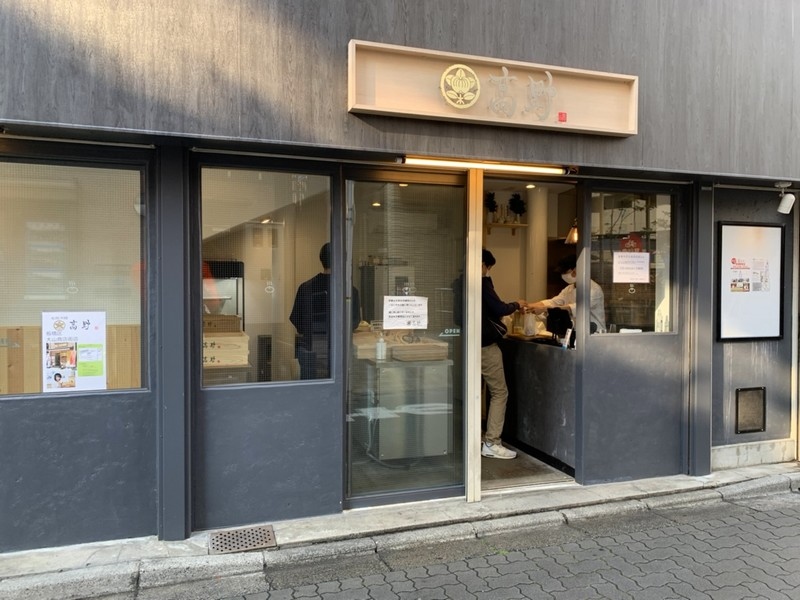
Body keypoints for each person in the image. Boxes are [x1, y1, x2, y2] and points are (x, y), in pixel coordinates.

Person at [290, 243, 361, 379]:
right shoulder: (350, 291)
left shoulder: (306, 288)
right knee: (340, 388)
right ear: (341, 261)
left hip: (310, 348)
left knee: (311, 388)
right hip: (340, 350)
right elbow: (354, 321)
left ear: (321, 259)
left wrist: (311, 330)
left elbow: (295, 319)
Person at [480, 248, 526, 460]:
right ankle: (492, 442)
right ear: (484, 265)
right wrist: (516, 304)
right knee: (499, 392)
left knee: (473, 392)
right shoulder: (481, 283)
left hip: (468, 345)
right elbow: (499, 308)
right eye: (488, 268)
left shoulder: (459, 283)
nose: (488, 271)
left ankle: (471, 436)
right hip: (486, 346)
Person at [527, 254, 606, 334]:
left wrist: (544, 309)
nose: (563, 275)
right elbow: (554, 302)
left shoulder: (593, 289)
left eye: (565, 272)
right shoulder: (569, 289)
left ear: (576, 270)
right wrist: (529, 306)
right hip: (577, 333)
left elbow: (574, 308)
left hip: (594, 334)